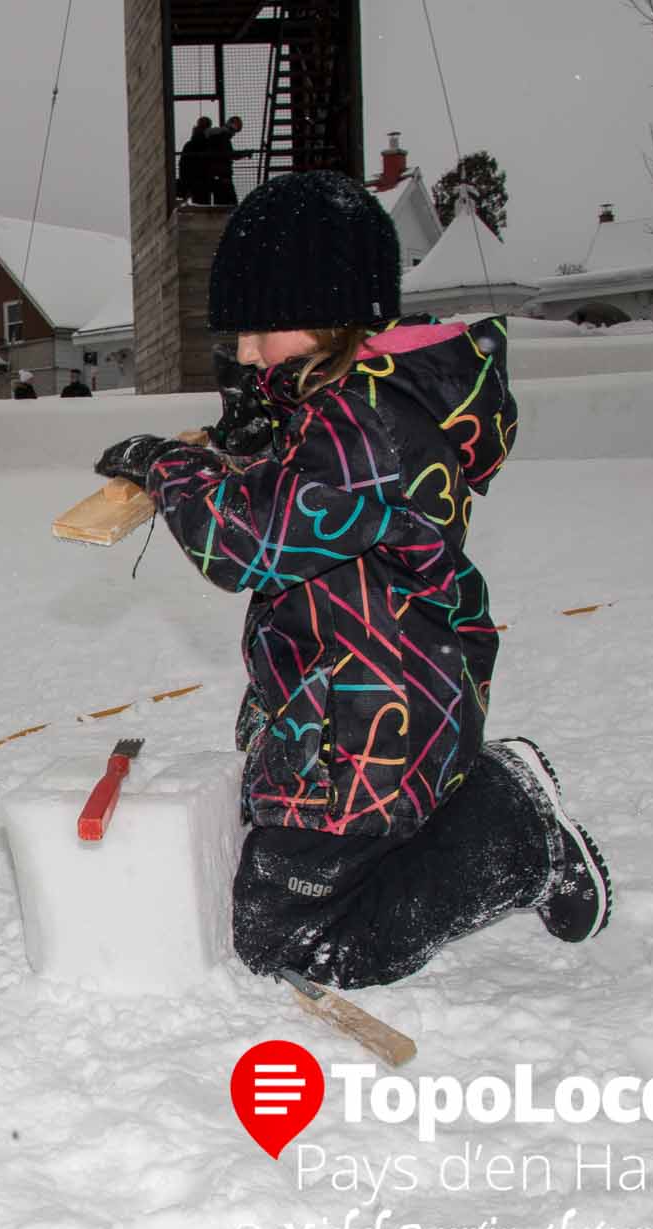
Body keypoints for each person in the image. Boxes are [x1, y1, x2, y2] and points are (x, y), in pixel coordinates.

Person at [92, 170, 611, 991]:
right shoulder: (355, 401)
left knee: (289, 944)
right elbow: (302, 491)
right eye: (240, 336)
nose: (249, 353)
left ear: (339, 315)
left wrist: (169, 466)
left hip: (368, 727)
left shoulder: (365, 427)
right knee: (297, 880)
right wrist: (250, 435)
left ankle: (512, 837)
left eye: (267, 330)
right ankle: (465, 807)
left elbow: (248, 540)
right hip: (371, 700)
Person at [206, 115, 256, 206]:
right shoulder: (223, 137)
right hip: (222, 175)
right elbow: (230, 154)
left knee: (220, 205)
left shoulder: (216, 136)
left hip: (216, 175)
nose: (234, 134)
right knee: (230, 204)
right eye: (235, 131)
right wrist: (245, 153)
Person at [177, 116, 215, 206]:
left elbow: (183, 163)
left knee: (200, 204)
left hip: (192, 178)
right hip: (202, 179)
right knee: (203, 203)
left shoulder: (191, 143)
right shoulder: (209, 143)